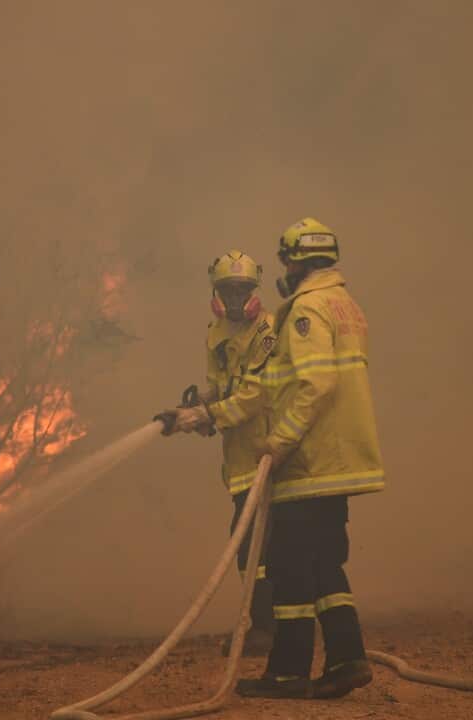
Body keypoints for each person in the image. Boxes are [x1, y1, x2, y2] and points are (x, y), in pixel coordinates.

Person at [164, 218, 385, 700]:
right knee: (327, 565)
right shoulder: (345, 306)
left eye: (285, 261)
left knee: (286, 566)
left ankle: (286, 674)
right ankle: (348, 660)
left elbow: (309, 385)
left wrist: (279, 439)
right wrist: (206, 411)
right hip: (337, 459)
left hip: (309, 460)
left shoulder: (305, 311)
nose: (283, 270)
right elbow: (272, 382)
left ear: (296, 261)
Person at [174, 250, 278, 655]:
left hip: (269, 453)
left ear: (255, 291)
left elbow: (255, 396)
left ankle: (268, 629)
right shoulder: (215, 333)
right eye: (228, 290)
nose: (236, 299)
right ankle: (266, 627)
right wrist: (194, 407)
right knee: (247, 538)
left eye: (243, 290)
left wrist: (210, 412)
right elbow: (218, 385)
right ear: (216, 292)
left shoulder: (268, 332)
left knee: (258, 543)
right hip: (239, 459)